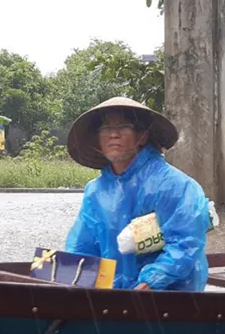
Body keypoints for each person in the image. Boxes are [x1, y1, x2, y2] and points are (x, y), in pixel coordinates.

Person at [63, 96, 211, 291]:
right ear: (97, 139)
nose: (113, 134)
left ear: (141, 135)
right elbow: (82, 245)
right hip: (114, 296)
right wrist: (73, 276)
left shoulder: (173, 184)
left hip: (170, 296)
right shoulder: (95, 191)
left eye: (123, 126)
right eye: (106, 128)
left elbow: (185, 242)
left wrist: (153, 280)